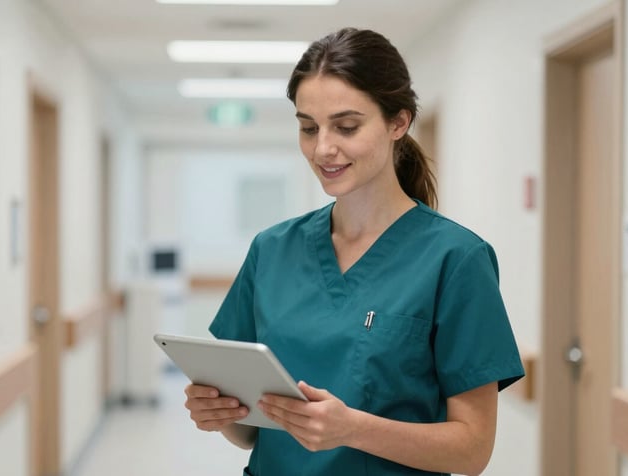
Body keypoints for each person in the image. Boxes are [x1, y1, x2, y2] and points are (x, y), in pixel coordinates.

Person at [183, 27, 524, 476]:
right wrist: (220, 415)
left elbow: (472, 449)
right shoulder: (272, 250)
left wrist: (352, 430)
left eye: (346, 126)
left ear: (398, 123)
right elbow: (251, 431)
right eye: (308, 128)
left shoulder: (455, 259)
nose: (323, 148)